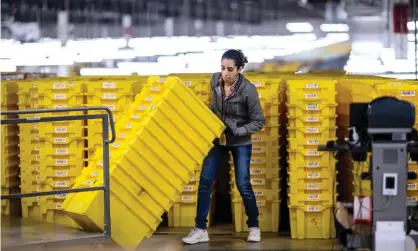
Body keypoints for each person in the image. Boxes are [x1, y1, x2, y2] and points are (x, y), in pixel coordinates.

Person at [182, 49, 265, 244]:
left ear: (240, 69)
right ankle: (200, 229)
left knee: (243, 184)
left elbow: (259, 121)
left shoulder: (248, 90)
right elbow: (215, 107)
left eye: (230, 69)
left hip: (240, 142)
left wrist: (238, 130)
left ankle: (254, 227)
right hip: (218, 139)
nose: (225, 73)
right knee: (204, 180)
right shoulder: (214, 81)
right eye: (222, 68)